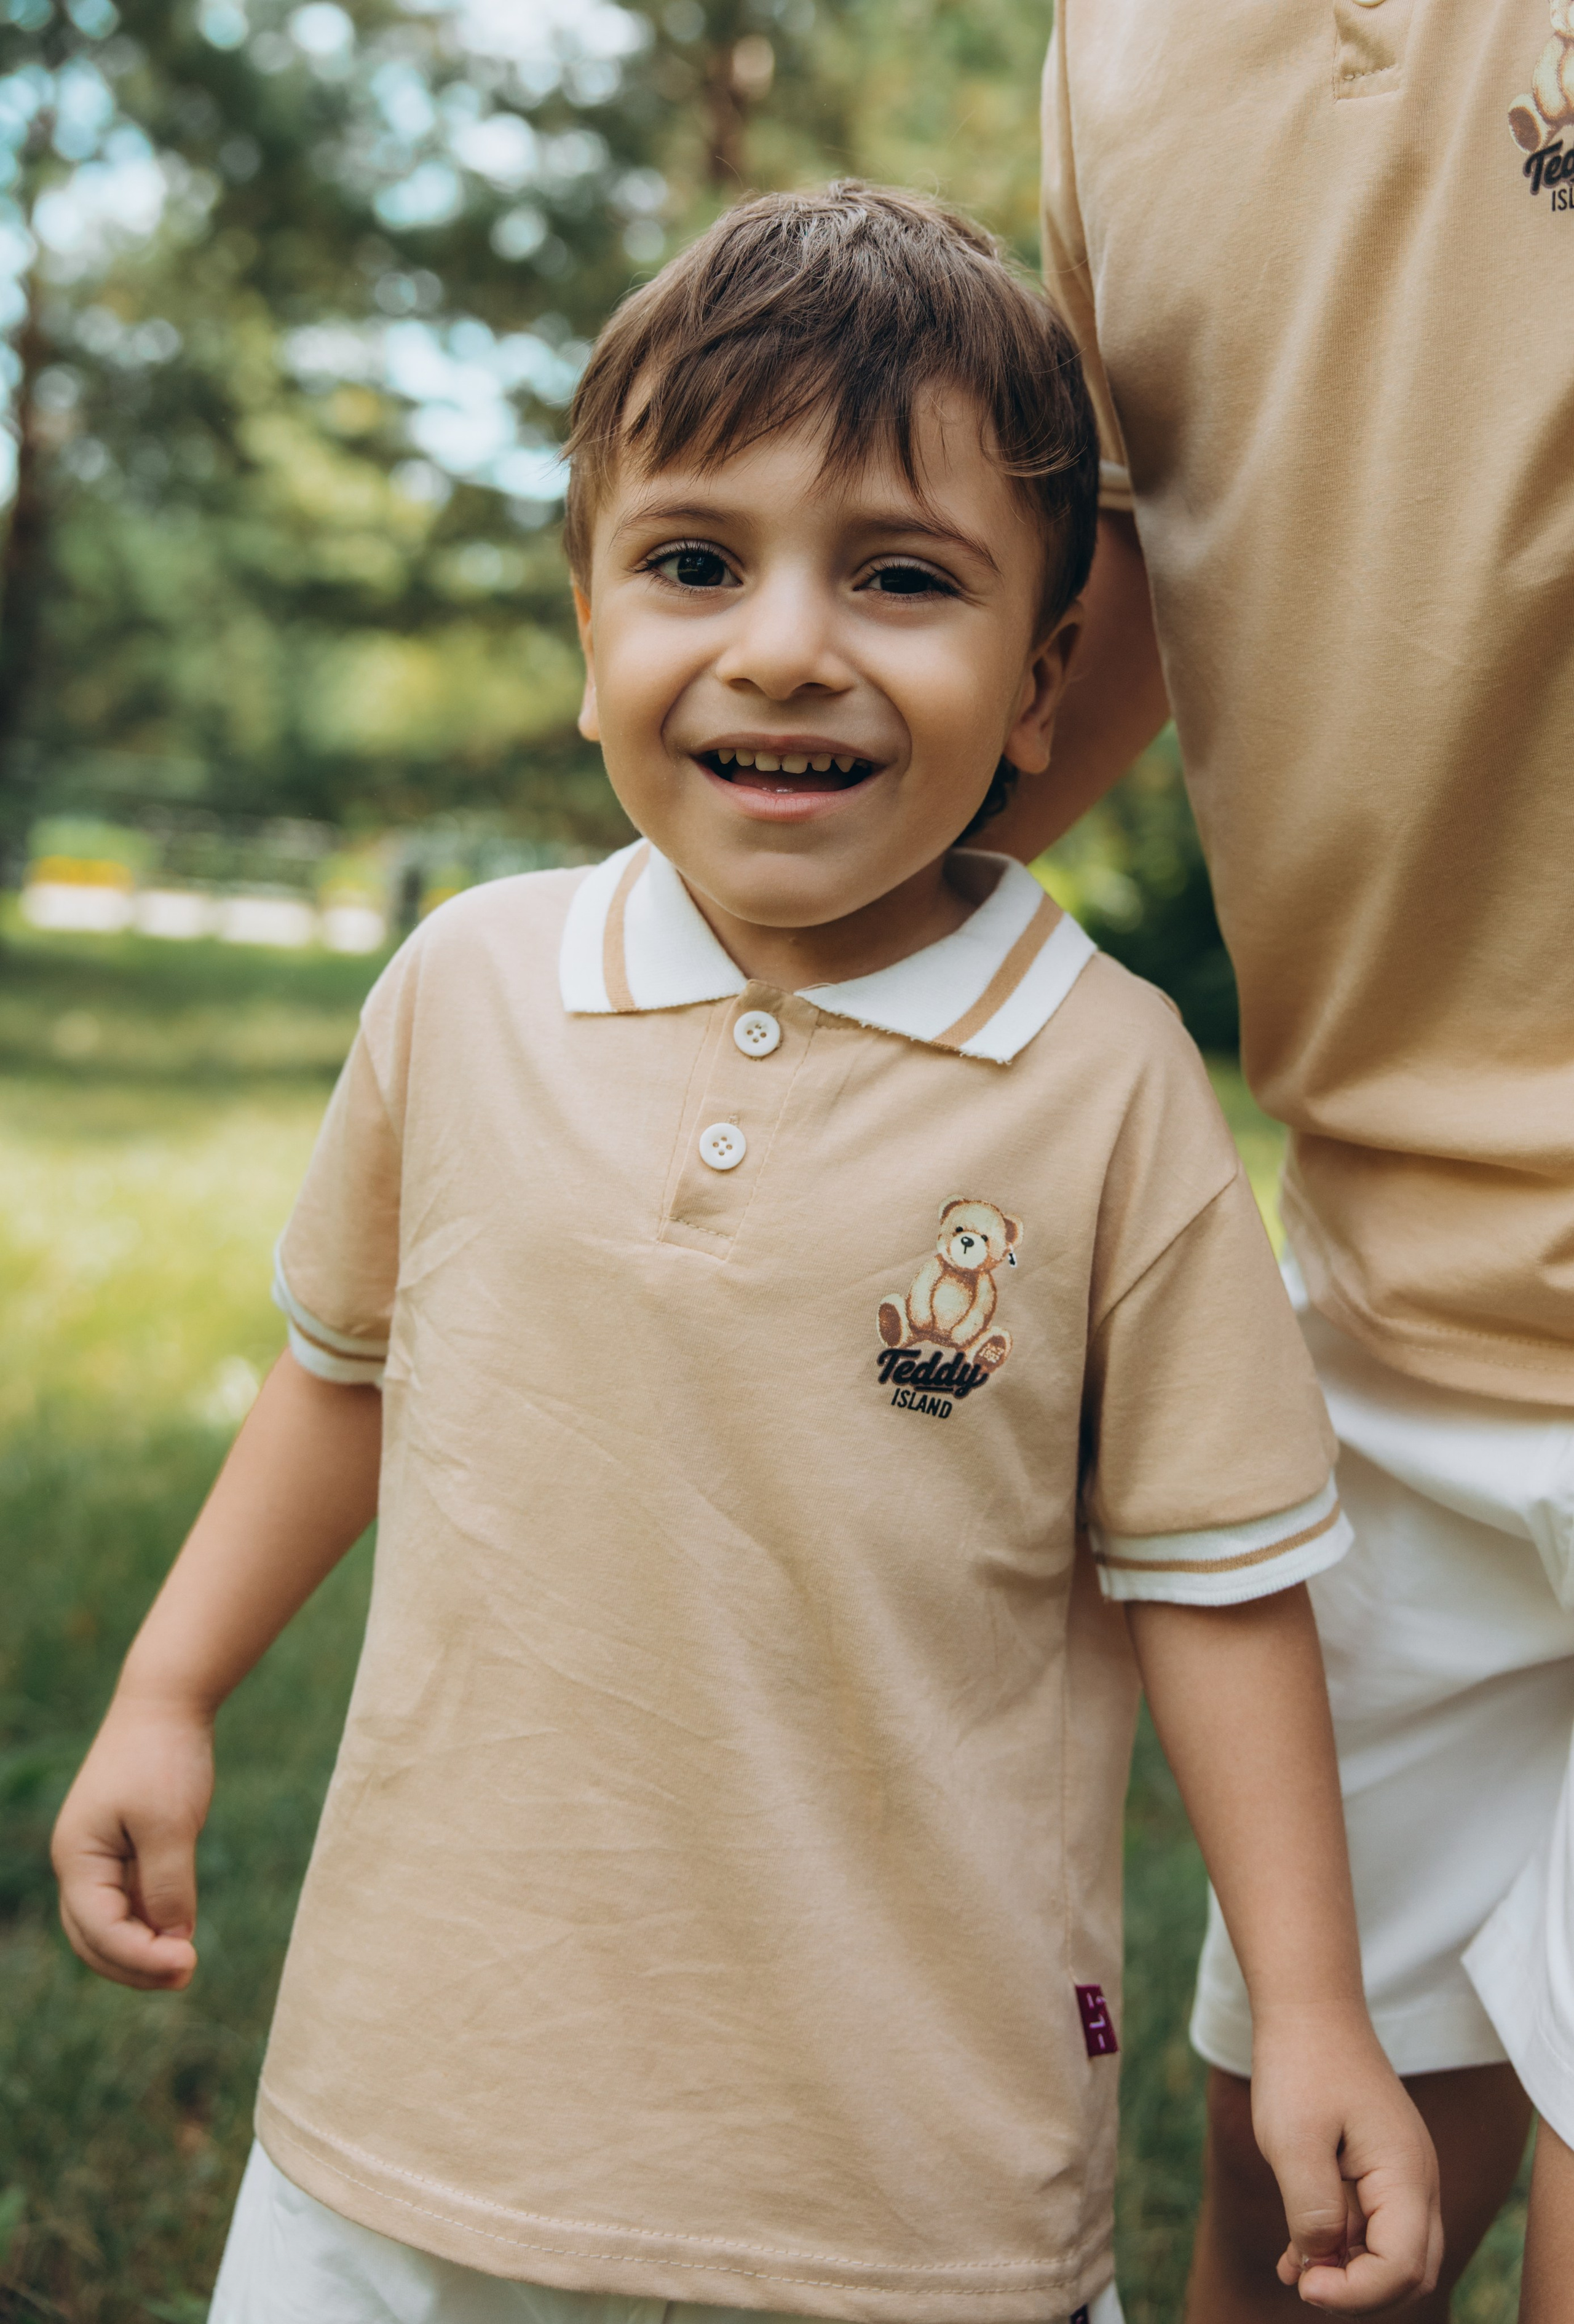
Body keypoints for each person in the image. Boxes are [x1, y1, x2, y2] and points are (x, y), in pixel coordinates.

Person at [52, 186, 1439, 2324]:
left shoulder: (1107, 1086)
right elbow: (346, 1373)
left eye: (900, 579)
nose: (785, 643)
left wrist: (1318, 2014)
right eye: (695, 562)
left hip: (906, 2186)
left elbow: (1220, 1591)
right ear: (590, 623)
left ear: (1049, 676)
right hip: (411, 2133)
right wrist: (165, 1690)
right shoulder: (467, 987)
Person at [992, 8, 1574, 2317]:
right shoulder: (1107, 47)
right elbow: (1138, 555)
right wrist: (734, 924)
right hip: (1391, 1326)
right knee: (1305, 2228)